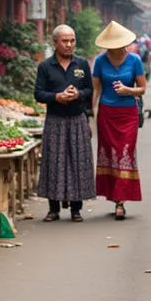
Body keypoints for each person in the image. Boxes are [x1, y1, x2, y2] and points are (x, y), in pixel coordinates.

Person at [34, 24, 95, 222]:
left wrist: (78, 94)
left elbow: (89, 91)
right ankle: (54, 208)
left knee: (78, 161)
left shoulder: (82, 64)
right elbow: (38, 93)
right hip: (55, 121)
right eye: (65, 41)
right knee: (54, 163)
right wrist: (57, 96)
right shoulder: (45, 66)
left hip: (77, 119)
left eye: (72, 40)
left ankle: (76, 209)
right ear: (55, 43)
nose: (69, 45)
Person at [92, 21, 146, 220]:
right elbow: (96, 88)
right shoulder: (99, 61)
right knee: (110, 154)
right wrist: (92, 111)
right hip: (107, 113)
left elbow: (142, 88)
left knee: (126, 152)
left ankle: (121, 199)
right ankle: (116, 198)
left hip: (128, 114)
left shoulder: (135, 60)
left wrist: (128, 90)